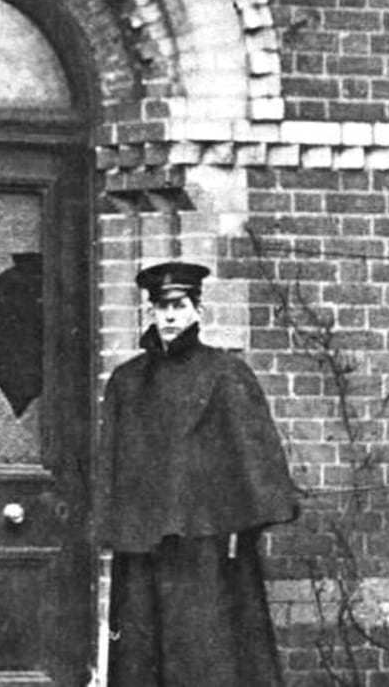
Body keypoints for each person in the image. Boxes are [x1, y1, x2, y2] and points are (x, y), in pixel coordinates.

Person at [96, 261, 299, 687]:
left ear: (197, 310)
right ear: (149, 312)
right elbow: (111, 463)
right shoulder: (127, 382)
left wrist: (238, 525)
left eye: (179, 305)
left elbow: (255, 456)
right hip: (143, 544)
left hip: (206, 549)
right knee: (141, 659)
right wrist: (113, 525)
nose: (169, 316)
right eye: (160, 307)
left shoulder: (225, 374)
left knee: (207, 658)